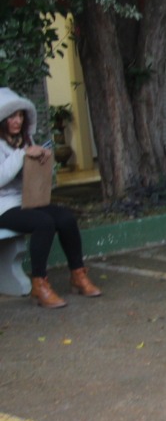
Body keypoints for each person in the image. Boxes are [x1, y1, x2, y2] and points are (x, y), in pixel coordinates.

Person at [0, 89, 103, 308]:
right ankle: (39, 285)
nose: (17, 120)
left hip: (27, 201)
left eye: (20, 115)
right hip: (3, 207)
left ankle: (78, 274)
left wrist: (42, 161)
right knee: (43, 223)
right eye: (12, 116)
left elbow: (28, 176)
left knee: (65, 217)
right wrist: (23, 156)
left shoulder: (24, 140)